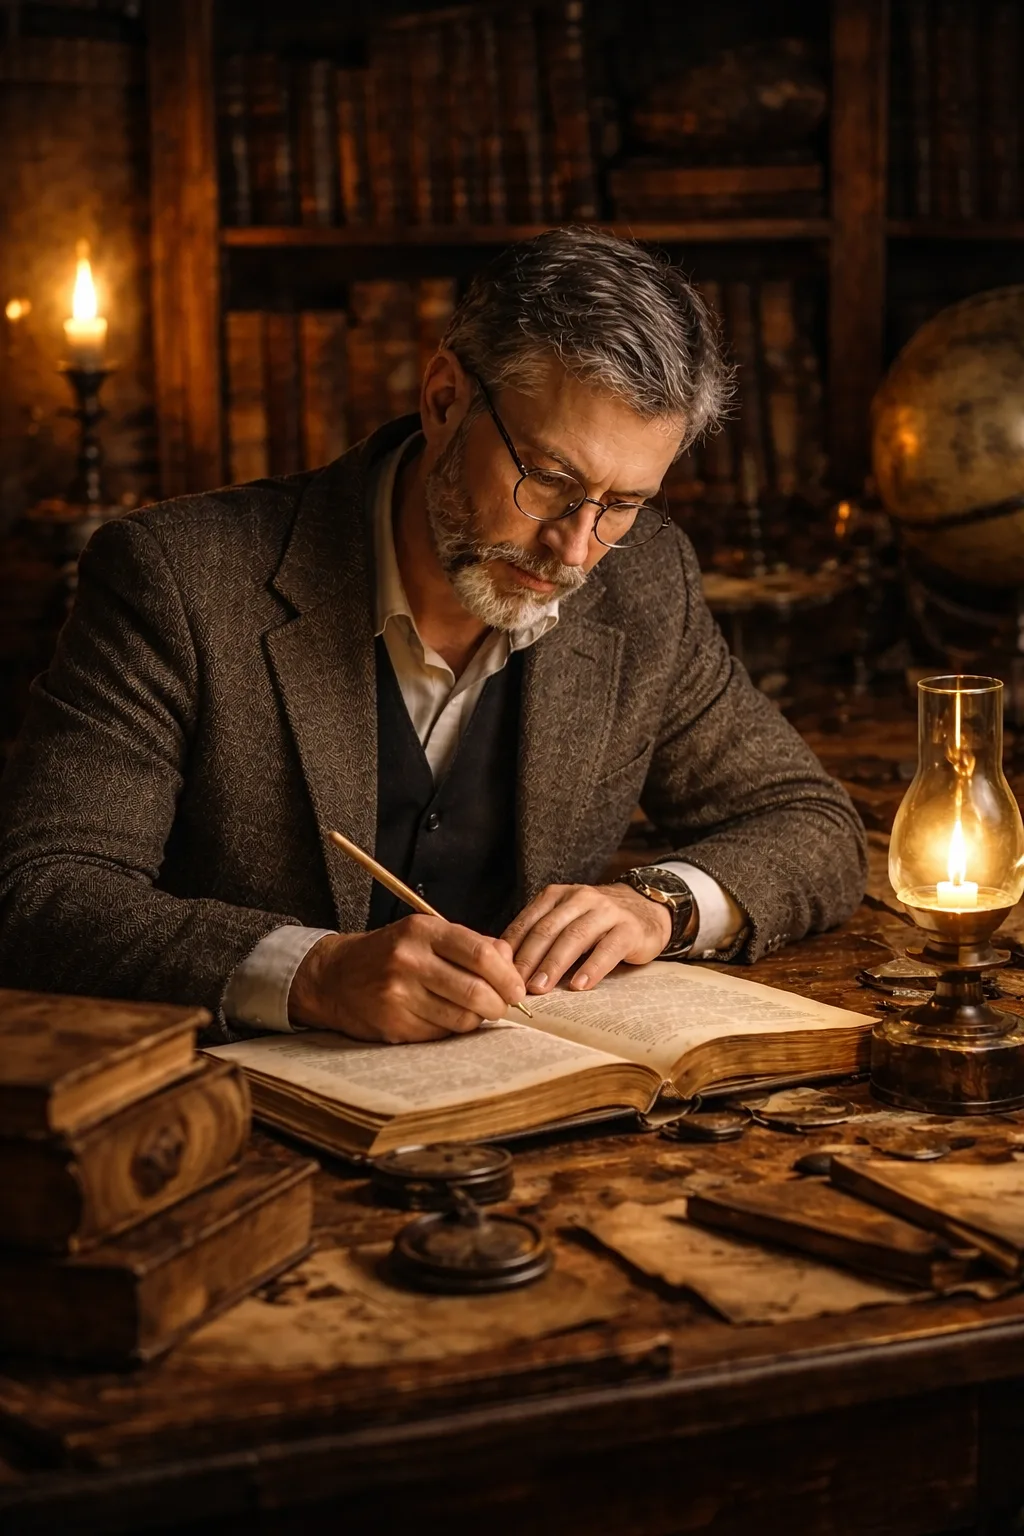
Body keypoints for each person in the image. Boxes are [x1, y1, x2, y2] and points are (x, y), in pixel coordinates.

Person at [0, 229, 865, 1044]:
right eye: (550, 479)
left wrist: (660, 905)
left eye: (625, 504)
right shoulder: (178, 577)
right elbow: (41, 894)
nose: (575, 546)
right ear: (445, 397)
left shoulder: (645, 583)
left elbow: (812, 823)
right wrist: (313, 974)